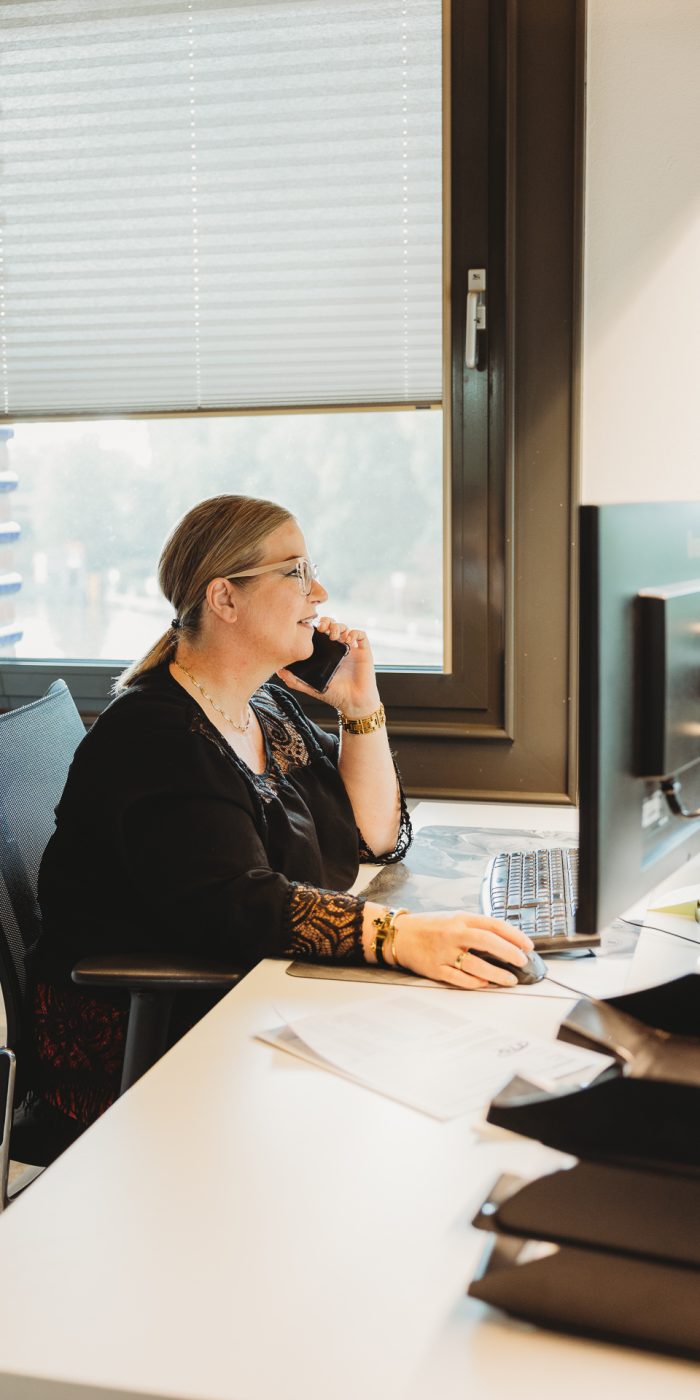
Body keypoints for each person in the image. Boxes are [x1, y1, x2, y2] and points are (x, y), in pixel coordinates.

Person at [27, 494, 532, 1136]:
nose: (317, 590)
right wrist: (398, 935)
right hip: (142, 1040)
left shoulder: (261, 708)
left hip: (247, 993)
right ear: (225, 599)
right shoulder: (156, 739)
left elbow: (372, 835)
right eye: (295, 572)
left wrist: (358, 704)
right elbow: (238, 903)